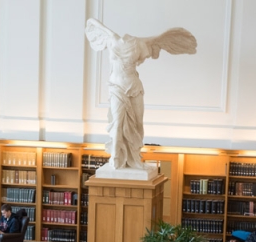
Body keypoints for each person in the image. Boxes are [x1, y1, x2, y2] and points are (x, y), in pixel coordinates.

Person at [84, 19, 196, 171]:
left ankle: (134, 157)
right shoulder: (112, 40)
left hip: (134, 87)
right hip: (117, 87)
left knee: (137, 123)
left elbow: (150, 54)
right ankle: (116, 157)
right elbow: (93, 24)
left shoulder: (139, 44)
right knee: (117, 123)